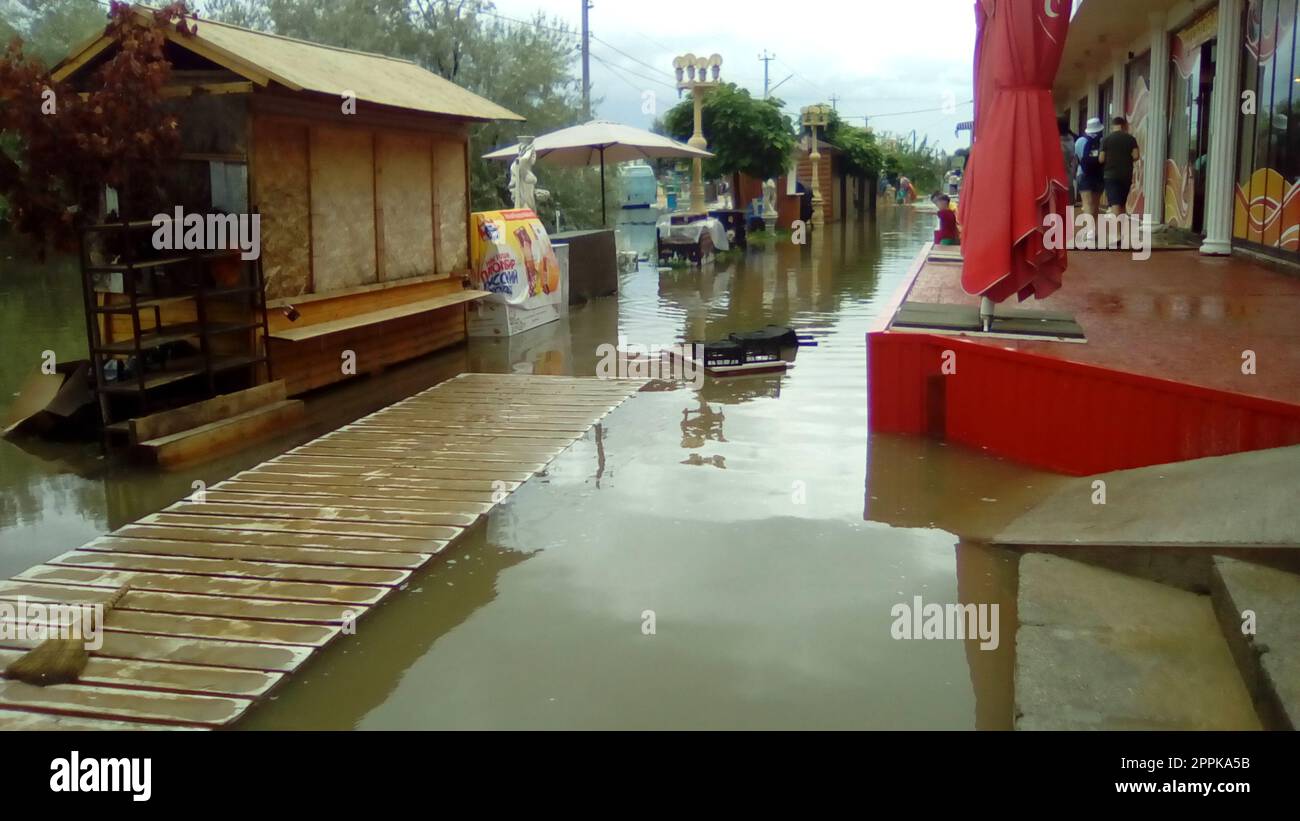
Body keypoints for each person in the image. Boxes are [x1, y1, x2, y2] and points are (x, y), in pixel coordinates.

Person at [1100, 115, 1140, 216]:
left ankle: (1116, 231)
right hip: (1126, 174)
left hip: (1110, 175)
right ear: (1124, 126)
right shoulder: (1131, 139)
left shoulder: (1106, 139)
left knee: (1115, 204)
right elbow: (1136, 156)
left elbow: (1101, 159)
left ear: (1113, 126)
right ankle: (1121, 230)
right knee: (1122, 204)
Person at [1075, 117, 1105, 233]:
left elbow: (1077, 158)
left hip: (1083, 174)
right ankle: (1094, 229)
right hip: (1099, 175)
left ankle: (1090, 231)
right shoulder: (1103, 141)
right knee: (1095, 204)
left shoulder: (1080, 141)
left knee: (1087, 203)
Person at [1058, 116, 1078, 205]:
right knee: (1069, 208)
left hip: (1056, 180)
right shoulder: (1073, 139)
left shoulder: (1055, 141)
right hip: (1069, 177)